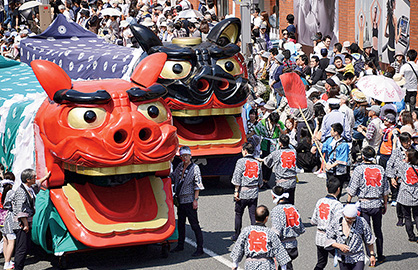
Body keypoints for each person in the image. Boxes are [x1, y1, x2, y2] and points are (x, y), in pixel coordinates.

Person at [346, 146, 389, 264]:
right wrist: (385, 203)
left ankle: (369, 255)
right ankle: (380, 255)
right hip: (377, 203)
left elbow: (353, 187)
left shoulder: (359, 169)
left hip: (364, 203)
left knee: (365, 231)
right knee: (378, 230)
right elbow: (385, 188)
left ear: (363, 156)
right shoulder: (381, 169)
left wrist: (348, 201)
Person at [9, 169, 50, 270]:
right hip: (21, 224)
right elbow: (20, 209)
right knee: (21, 249)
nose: (35, 179)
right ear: (28, 179)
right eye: (34, 177)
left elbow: (37, 183)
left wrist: (45, 177)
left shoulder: (29, 188)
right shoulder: (20, 192)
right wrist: (25, 224)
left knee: (25, 247)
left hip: (27, 222)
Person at [230, 205, 291, 270]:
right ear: (266, 218)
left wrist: (235, 263)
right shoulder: (270, 233)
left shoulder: (246, 231)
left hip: (250, 264)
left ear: (255, 216)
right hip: (267, 265)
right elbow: (279, 250)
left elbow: (239, 247)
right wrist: (283, 267)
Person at [170, 146, 204, 257]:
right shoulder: (179, 166)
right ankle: (180, 244)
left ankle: (200, 248)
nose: (185, 157)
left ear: (190, 156)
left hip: (189, 199)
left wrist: (195, 199)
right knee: (181, 223)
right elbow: (173, 176)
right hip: (180, 199)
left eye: (187, 155)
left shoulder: (195, 168)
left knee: (194, 224)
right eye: (183, 156)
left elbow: (197, 184)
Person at [325, 203, 377, 269]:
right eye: (348, 219)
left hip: (358, 256)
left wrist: (372, 255)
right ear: (343, 215)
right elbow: (329, 238)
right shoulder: (336, 221)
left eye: (353, 219)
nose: (350, 221)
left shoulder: (362, 221)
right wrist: (339, 246)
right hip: (343, 257)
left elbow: (369, 239)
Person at [231, 143, 263, 241]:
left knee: (238, 213)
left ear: (245, 151)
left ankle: (237, 234)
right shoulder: (257, 162)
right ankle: (255, 234)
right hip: (253, 192)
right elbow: (260, 181)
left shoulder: (241, 162)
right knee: (253, 215)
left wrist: (236, 191)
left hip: (242, 192)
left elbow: (237, 177)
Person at [311, 176, 343, 270]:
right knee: (343, 260)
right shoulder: (338, 205)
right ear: (338, 189)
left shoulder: (320, 201)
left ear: (327, 188)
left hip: (319, 236)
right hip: (331, 239)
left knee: (321, 262)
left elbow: (313, 221)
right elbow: (339, 223)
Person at [270, 186, 305, 270]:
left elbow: (276, 231)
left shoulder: (276, 210)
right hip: (293, 245)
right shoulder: (293, 208)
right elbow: (301, 228)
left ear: (274, 196)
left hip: (283, 247)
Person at [259, 135, 297, 204]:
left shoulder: (277, 153)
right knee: (291, 202)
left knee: (281, 203)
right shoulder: (294, 152)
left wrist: (261, 159)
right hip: (292, 181)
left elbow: (267, 161)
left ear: (280, 143)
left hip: (282, 182)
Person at [317, 123, 350, 199]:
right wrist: (317, 142)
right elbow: (323, 148)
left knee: (337, 188)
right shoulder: (329, 140)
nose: (330, 132)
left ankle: (336, 202)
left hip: (338, 170)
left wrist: (331, 166)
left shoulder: (344, 144)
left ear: (336, 132)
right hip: (329, 168)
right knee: (330, 186)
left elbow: (342, 159)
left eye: (332, 130)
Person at [386, 132, 413, 226]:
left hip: (411, 179)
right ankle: (400, 217)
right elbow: (389, 165)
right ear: (401, 142)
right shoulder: (396, 152)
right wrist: (392, 178)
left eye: (409, 141)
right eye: (406, 142)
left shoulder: (414, 150)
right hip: (399, 179)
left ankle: (410, 217)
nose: (408, 143)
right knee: (399, 200)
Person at [395, 148, 418, 242]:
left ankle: (411, 236)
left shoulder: (403, 166)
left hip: (405, 194)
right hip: (416, 193)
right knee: (417, 216)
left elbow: (395, 161)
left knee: (407, 217)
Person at [0, 172, 15, 270]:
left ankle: (7, 260)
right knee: (11, 240)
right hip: (8, 217)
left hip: (1, 216)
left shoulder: (1, 191)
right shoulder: (11, 192)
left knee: (5, 239)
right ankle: (7, 263)